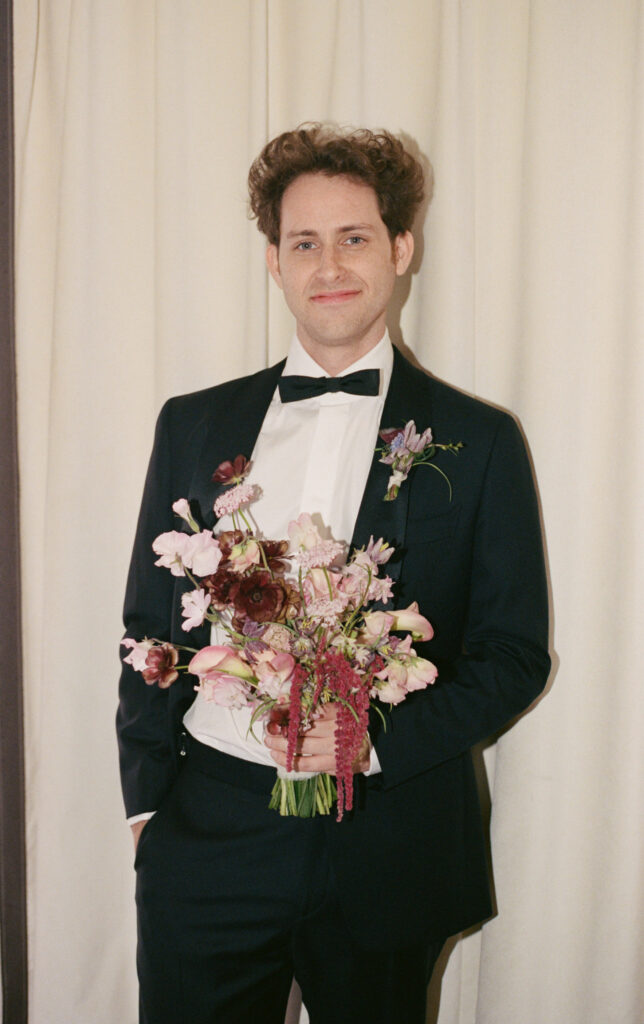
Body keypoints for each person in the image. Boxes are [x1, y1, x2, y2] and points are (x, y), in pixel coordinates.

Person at [117, 124, 550, 1024]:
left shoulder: (481, 441)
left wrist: (376, 742)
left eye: (353, 237)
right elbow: (147, 623)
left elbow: (514, 654)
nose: (329, 265)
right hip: (211, 833)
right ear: (274, 261)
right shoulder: (191, 424)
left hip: (390, 842)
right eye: (303, 243)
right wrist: (148, 807)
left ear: (401, 247)